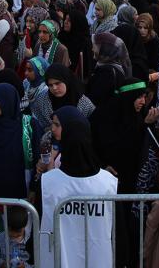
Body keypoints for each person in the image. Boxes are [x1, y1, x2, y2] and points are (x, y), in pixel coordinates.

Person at [40, 106, 117, 268]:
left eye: (57, 124)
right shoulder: (49, 181)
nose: (52, 129)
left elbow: (118, 230)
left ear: (71, 131)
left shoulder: (107, 183)